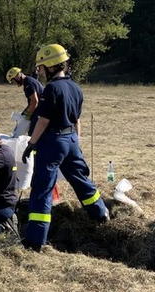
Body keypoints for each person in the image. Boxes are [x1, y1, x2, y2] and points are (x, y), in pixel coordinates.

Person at [21, 44, 109, 251]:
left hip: (53, 142)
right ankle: (100, 213)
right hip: (71, 139)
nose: (40, 72)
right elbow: (77, 119)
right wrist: (75, 143)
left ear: (51, 66)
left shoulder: (52, 89)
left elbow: (43, 121)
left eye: (42, 67)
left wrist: (31, 143)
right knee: (80, 179)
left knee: (42, 188)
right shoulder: (75, 87)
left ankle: (35, 239)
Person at [6, 67, 44, 136]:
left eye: (13, 80)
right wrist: (25, 113)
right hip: (41, 108)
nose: (14, 83)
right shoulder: (29, 79)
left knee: (33, 133)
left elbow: (34, 101)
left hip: (40, 109)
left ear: (17, 76)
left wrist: (28, 114)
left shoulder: (28, 83)